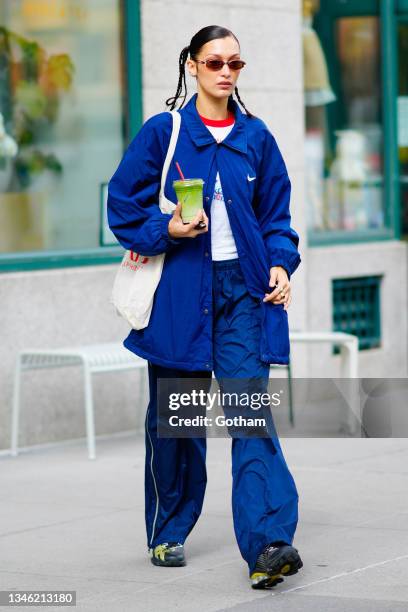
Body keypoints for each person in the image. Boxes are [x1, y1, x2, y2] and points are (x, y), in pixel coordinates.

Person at [107, 25, 303, 590]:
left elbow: (278, 217)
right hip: (179, 293)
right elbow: (122, 207)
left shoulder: (256, 136)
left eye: (235, 63)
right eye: (214, 61)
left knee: (249, 415)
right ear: (191, 65)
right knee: (179, 422)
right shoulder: (164, 132)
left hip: (243, 293)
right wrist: (165, 227)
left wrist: (280, 264)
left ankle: (267, 543)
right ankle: (169, 529)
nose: (225, 71)